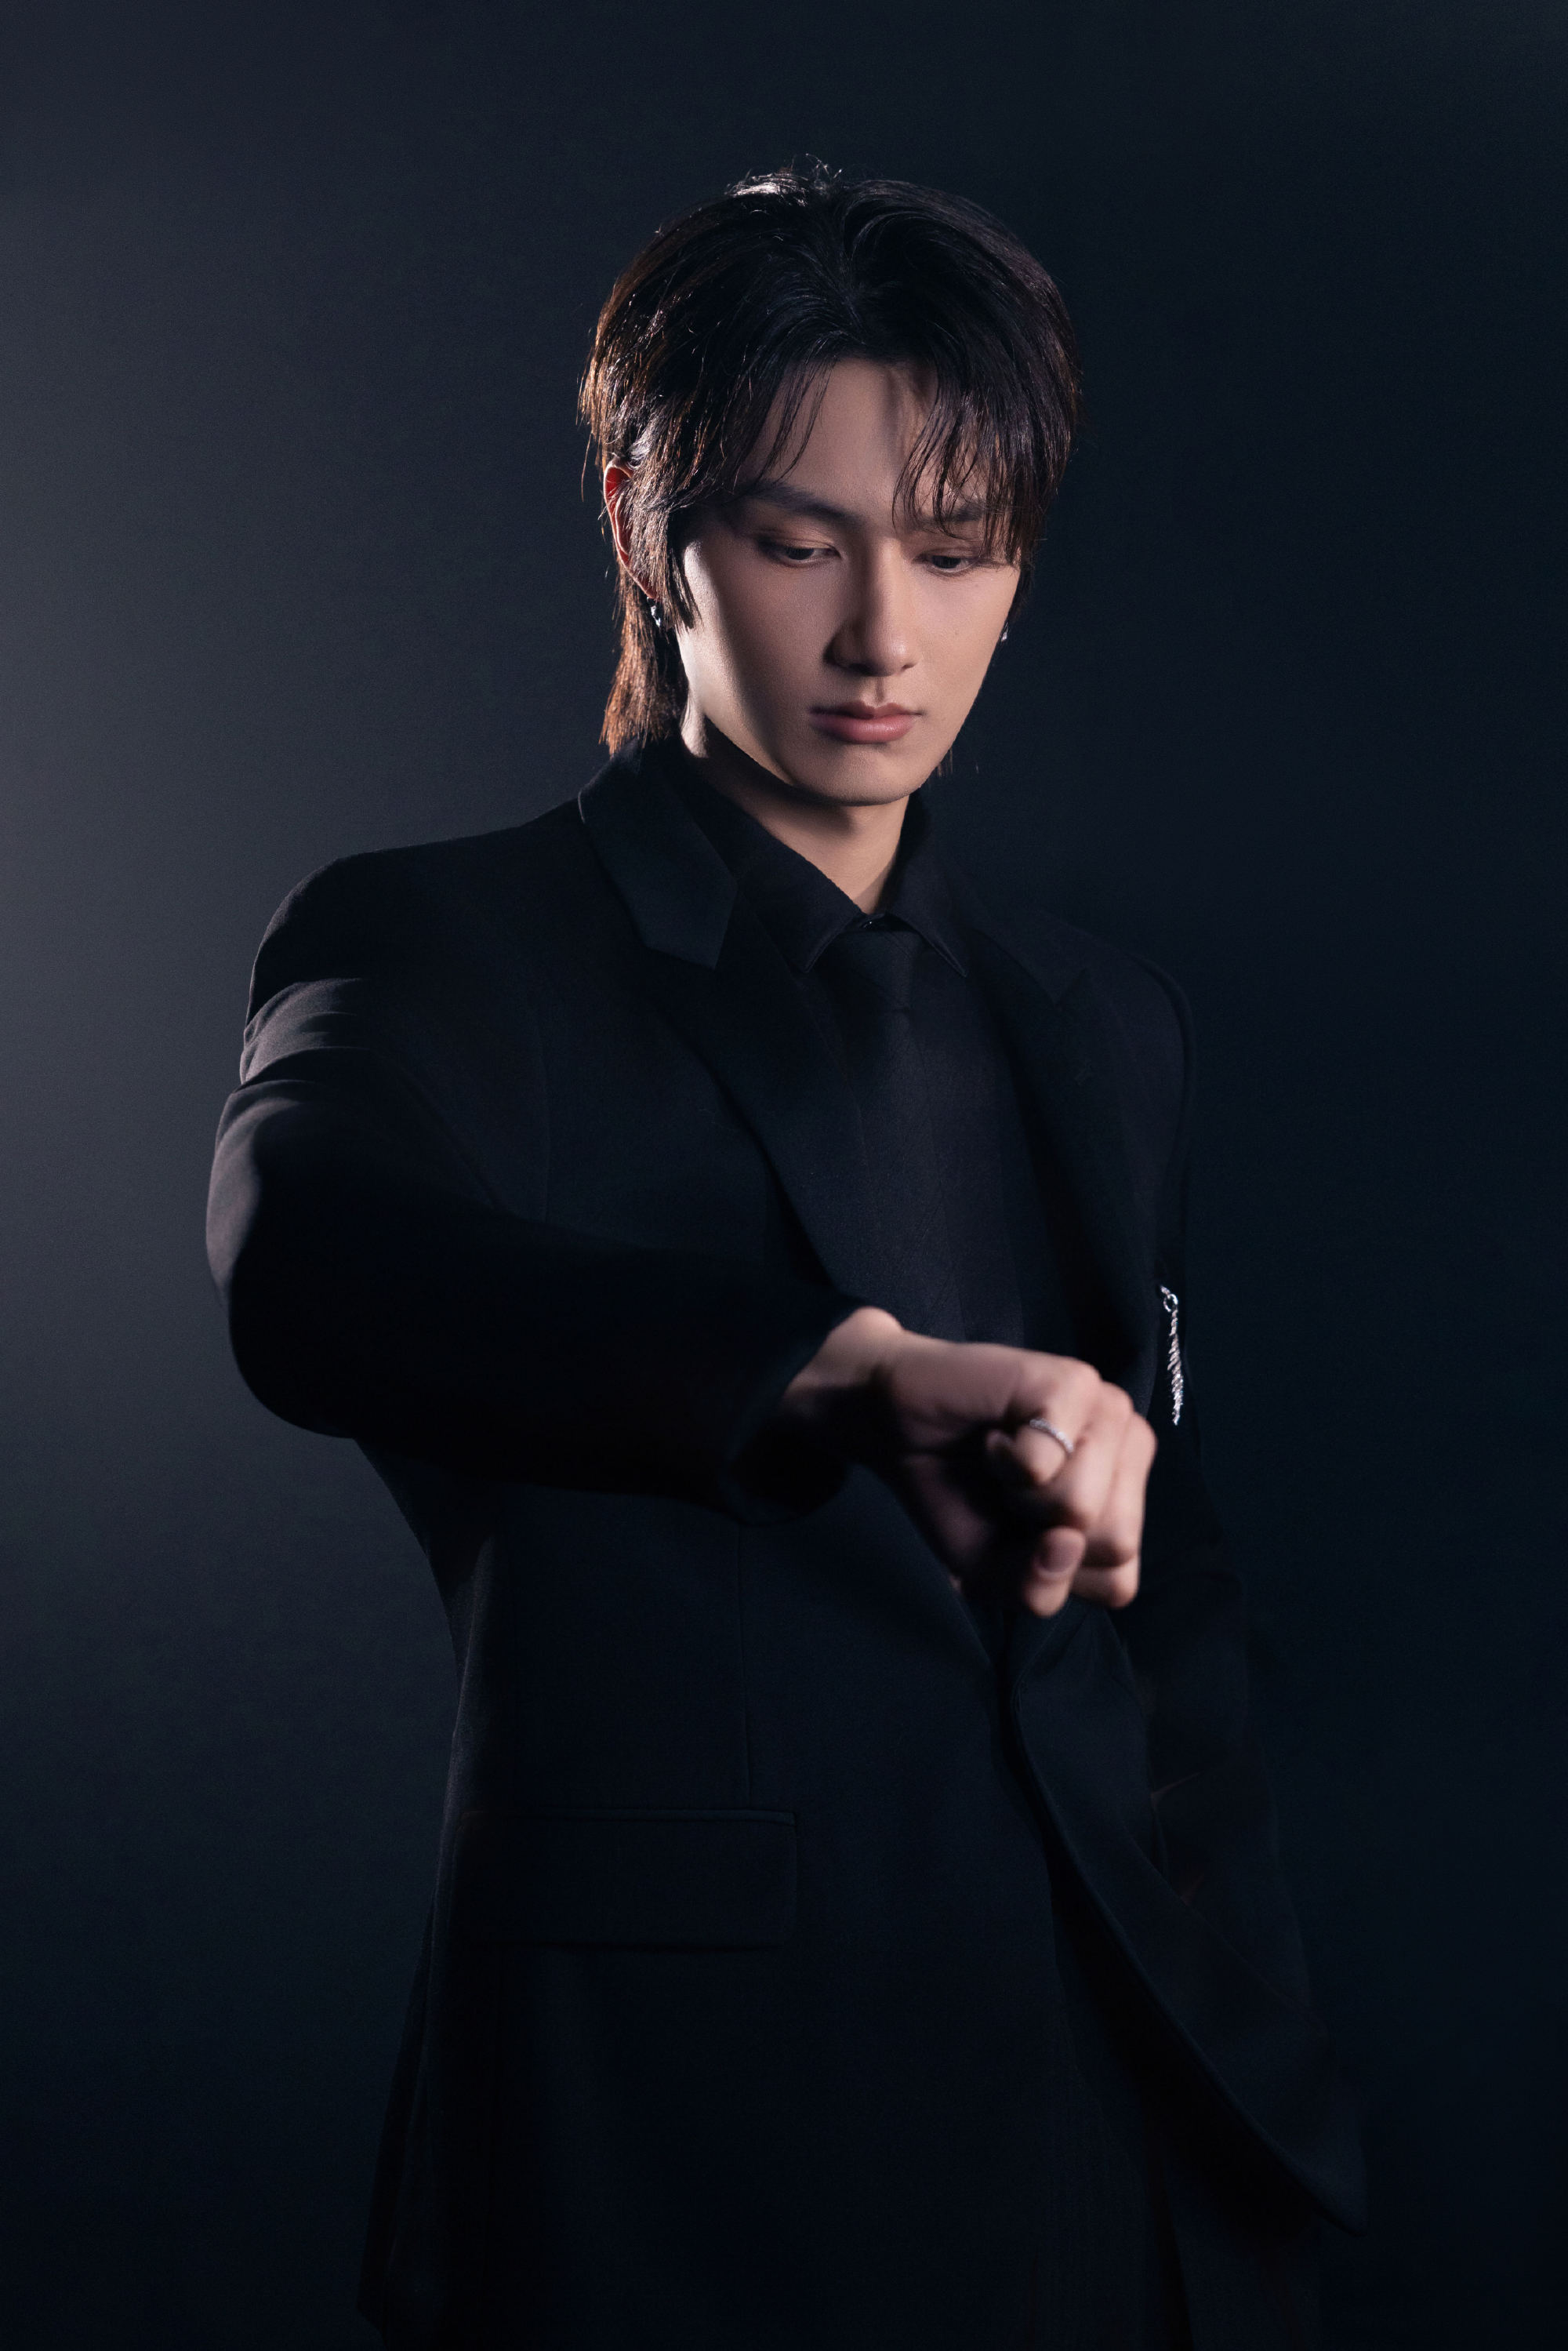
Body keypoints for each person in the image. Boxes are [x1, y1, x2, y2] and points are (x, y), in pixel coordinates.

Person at [206, 167, 1363, 2350]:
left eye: (957, 545)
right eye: (798, 539)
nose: (883, 637)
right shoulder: (446, 941)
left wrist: (1251, 2058)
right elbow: (309, 1258)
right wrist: (832, 1372)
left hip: (1128, 2129)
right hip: (680, 2163)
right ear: (649, 524)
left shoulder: (1100, 1017)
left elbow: (1162, 1603)